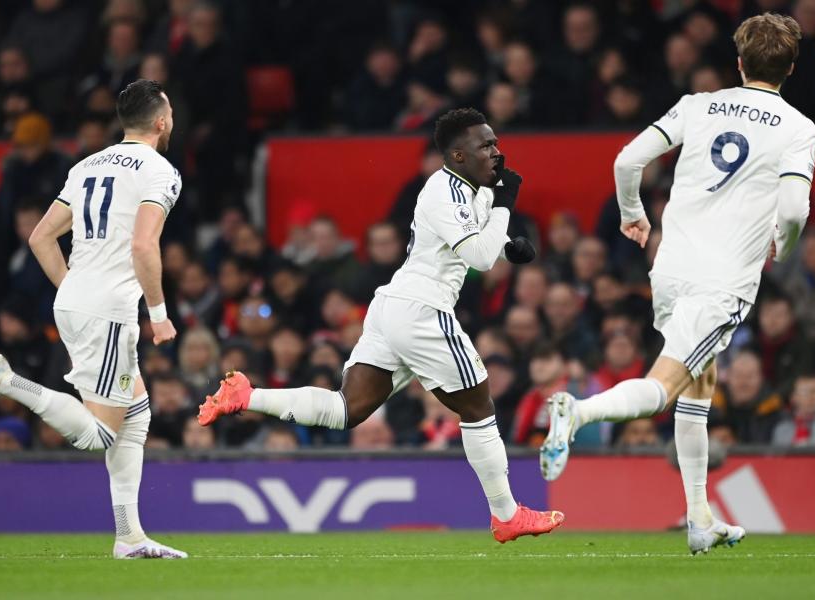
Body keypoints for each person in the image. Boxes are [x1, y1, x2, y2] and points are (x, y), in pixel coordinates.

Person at [198, 108, 563, 542]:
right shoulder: (442, 192)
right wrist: (505, 206)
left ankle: (246, 394)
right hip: (423, 309)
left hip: (394, 307)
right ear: (458, 155)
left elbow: (484, 244)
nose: (495, 152)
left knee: (347, 409)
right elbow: (479, 258)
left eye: (495, 143)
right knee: (479, 407)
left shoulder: (470, 190)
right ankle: (506, 515)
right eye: (485, 145)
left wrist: (510, 244)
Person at [542, 14, 815, 555]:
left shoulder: (699, 104)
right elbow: (793, 206)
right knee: (663, 389)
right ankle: (579, 411)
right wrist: (782, 243)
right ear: (790, 67)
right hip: (721, 282)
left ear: (738, 63)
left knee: (701, 383)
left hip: (669, 271)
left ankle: (699, 517)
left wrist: (632, 213)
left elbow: (628, 160)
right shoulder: (797, 127)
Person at [0, 80, 186, 560]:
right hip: (110, 309)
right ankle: (5, 379)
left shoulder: (86, 165)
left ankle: (130, 536)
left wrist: (73, 290)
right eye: (171, 112)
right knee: (102, 434)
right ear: (161, 121)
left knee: (136, 415)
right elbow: (142, 244)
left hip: (76, 298)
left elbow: (39, 238)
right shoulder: (160, 171)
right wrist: (158, 314)